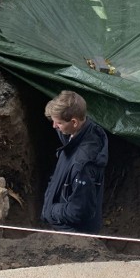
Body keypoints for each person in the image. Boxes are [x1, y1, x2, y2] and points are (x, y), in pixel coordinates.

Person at [41, 91, 108, 234]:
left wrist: (51, 210)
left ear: (74, 122)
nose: (54, 126)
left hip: (73, 231)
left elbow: (79, 211)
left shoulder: (82, 165)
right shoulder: (77, 133)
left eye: (58, 123)